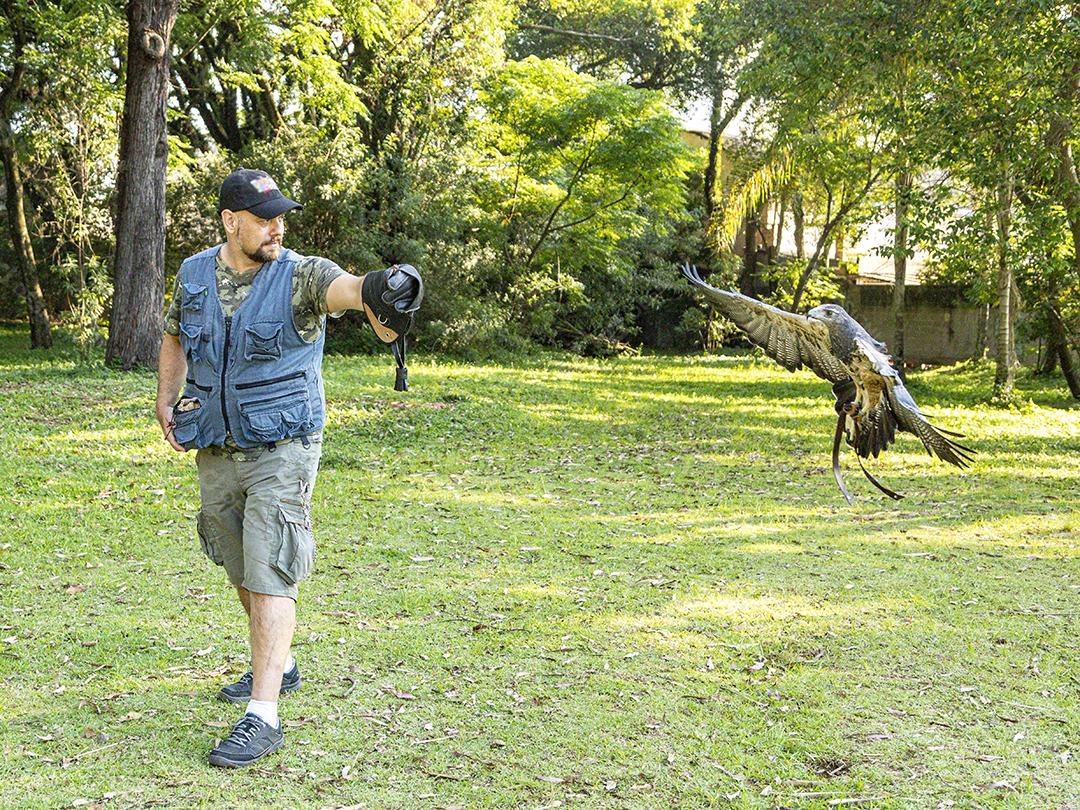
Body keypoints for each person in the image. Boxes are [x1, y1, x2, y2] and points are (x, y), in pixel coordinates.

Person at [155, 168, 422, 768]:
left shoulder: (301, 274)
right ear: (230, 222)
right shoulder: (194, 274)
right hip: (216, 443)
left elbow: (346, 289)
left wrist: (383, 288)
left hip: (284, 446)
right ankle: (283, 663)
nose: (277, 228)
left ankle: (264, 714)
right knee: (238, 560)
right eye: (264, 218)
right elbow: (174, 336)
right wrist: (166, 399)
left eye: (281, 217)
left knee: (271, 563)